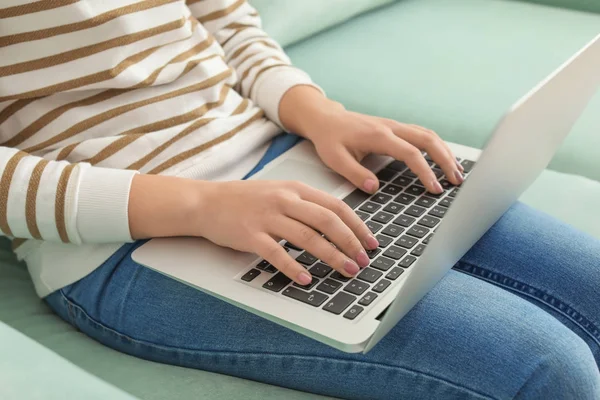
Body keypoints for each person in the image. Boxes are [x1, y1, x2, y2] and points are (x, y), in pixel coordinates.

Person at [1, 1, 599, 398]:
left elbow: (222, 17)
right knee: (548, 371)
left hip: (281, 152)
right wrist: (201, 207)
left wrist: (318, 113)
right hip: (121, 240)